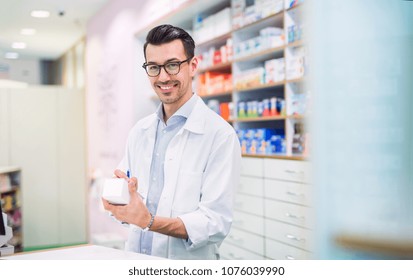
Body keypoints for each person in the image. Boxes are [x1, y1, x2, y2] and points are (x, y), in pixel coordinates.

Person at [102, 24, 241, 260]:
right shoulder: (139, 131)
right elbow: (128, 200)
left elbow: (215, 223)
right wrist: (118, 203)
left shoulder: (220, 136)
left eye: (173, 65)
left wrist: (149, 222)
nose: (163, 77)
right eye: (154, 67)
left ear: (193, 66)